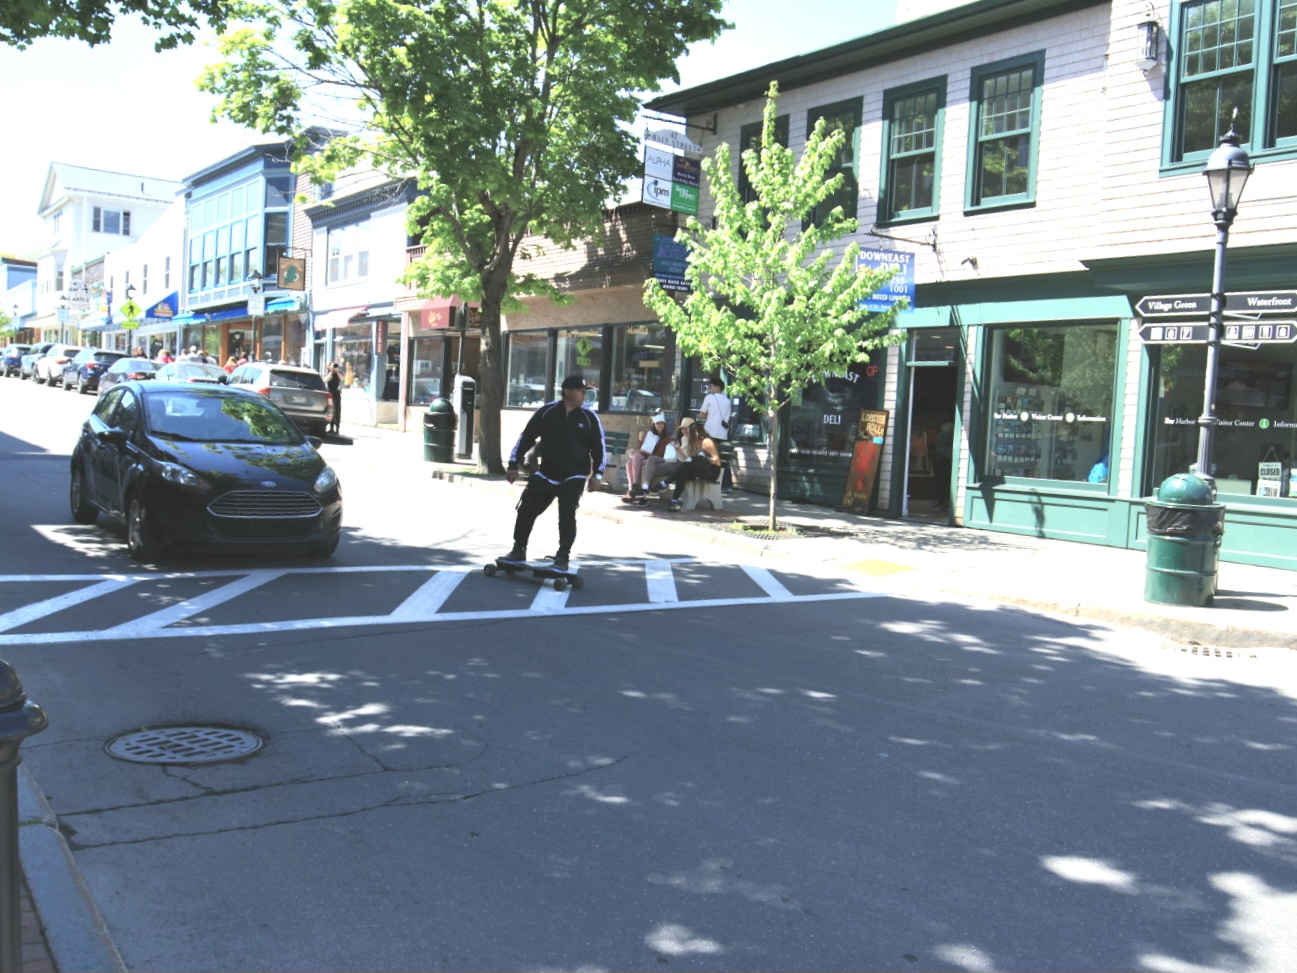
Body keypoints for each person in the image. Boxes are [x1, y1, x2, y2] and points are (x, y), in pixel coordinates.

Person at [503, 374, 606, 571]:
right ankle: (518, 549)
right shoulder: (547, 412)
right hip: (547, 473)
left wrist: (598, 474)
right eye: (580, 391)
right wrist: (513, 463)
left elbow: (599, 447)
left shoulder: (589, 417)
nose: (584, 394)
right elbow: (526, 437)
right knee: (526, 508)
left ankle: (562, 556)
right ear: (567, 392)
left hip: (574, 475)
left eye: (585, 391)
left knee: (567, 512)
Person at [662, 419, 723, 511]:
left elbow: (716, 459)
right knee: (683, 473)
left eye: (689, 433)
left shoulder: (706, 441)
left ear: (696, 433)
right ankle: (674, 501)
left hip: (712, 470)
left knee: (690, 463)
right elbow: (687, 461)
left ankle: (665, 482)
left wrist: (701, 462)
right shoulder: (695, 443)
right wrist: (679, 451)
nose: (687, 434)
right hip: (701, 469)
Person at [638, 418, 692, 505]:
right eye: (682, 428)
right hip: (670, 459)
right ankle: (646, 489)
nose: (684, 430)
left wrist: (678, 450)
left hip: (678, 464)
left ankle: (644, 494)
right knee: (651, 459)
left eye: (686, 428)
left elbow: (688, 460)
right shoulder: (683, 438)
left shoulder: (690, 440)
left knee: (645, 468)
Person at [621, 412, 671, 503]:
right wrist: (640, 441)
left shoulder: (667, 438)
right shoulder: (650, 435)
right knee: (630, 462)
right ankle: (632, 488)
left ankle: (635, 489)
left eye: (661, 423)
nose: (659, 425)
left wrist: (645, 454)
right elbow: (643, 449)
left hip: (657, 459)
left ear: (664, 425)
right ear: (654, 425)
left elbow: (661, 453)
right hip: (648, 457)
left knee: (643, 463)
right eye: (657, 423)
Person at [699, 376, 733, 493]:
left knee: (705, 457)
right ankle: (727, 485)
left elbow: (702, 414)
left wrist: (708, 416)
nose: (709, 389)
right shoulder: (727, 401)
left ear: (717, 388)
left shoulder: (709, 397)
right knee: (723, 459)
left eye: (711, 387)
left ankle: (705, 479)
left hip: (710, 432)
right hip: (723, 434)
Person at [325, 362, 342, 435]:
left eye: (334, 366)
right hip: (330, 394)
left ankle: (337, 429)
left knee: (337, 411)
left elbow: (341, 378)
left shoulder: (338, 373)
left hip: (336, 394)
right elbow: (325, 380)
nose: (333, 367)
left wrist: (337, 371)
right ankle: (331, 428)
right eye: (331, 366)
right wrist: (331, 372)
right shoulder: (329, 373)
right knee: (330, 410)